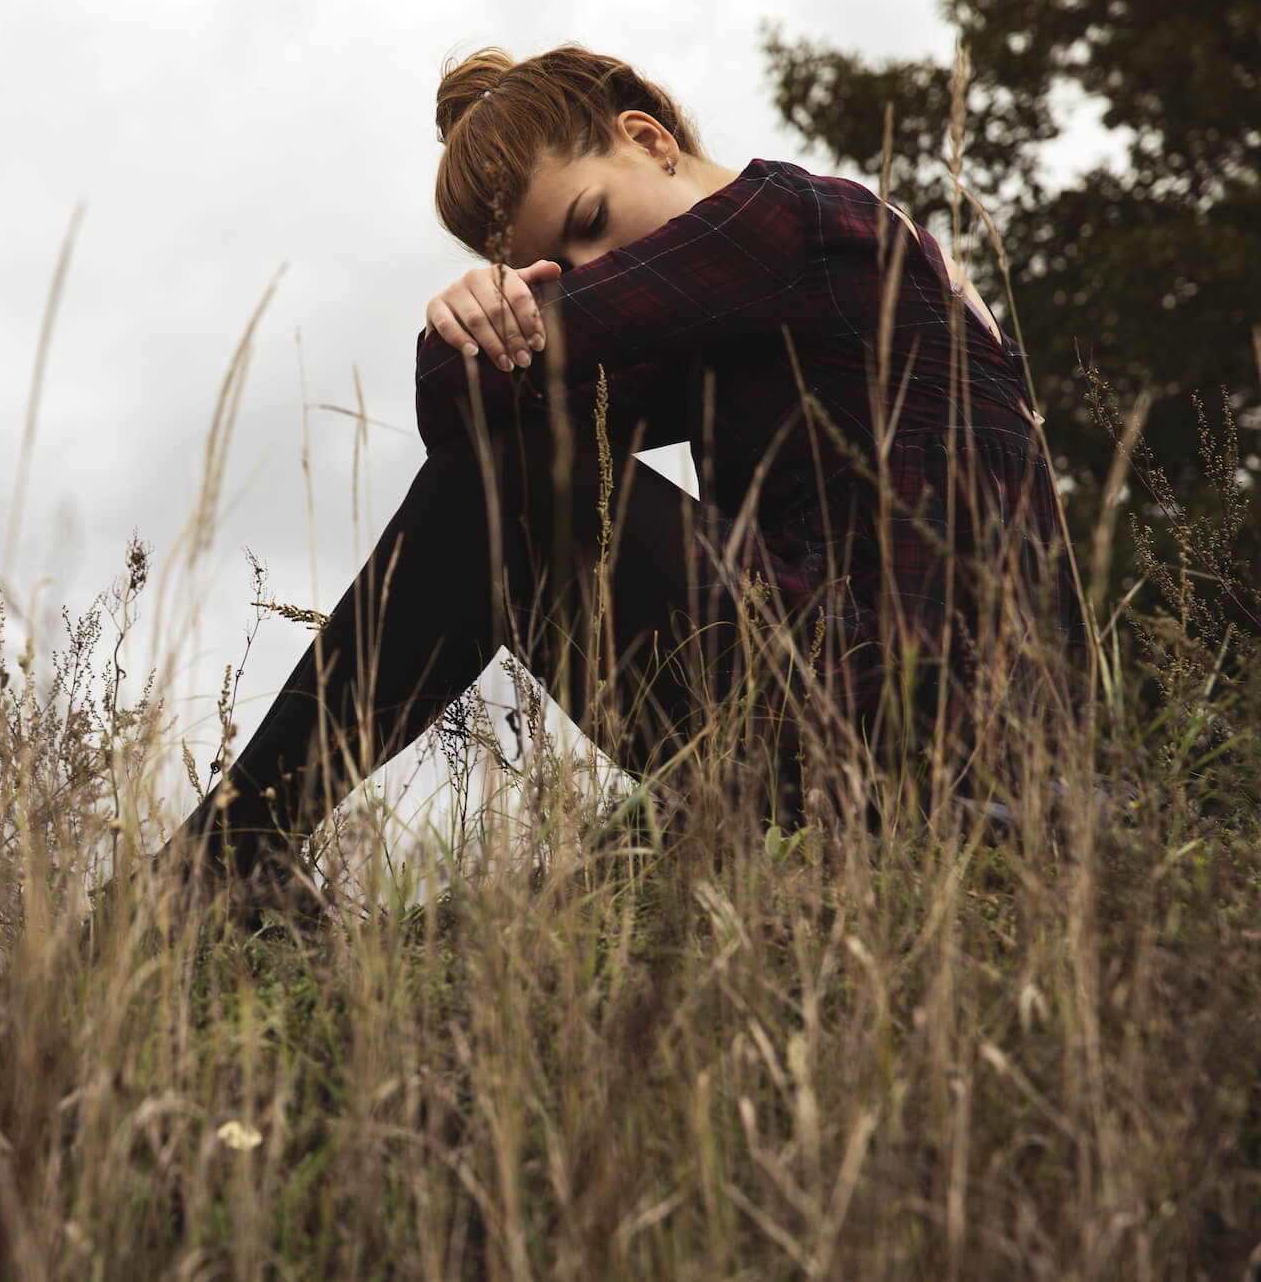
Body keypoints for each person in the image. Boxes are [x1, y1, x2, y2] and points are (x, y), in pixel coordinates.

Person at [163, 44, 1086, 908]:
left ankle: (218, 862)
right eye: (565, 267)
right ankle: (234, 864)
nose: (604, 272)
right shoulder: (753, 311)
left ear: (649, 138)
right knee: (540, 897)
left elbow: (477, 420)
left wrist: (471, 327)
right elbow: (471, 422)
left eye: (592, 223)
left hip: (924, 723)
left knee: (515, 483)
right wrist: (482, 319)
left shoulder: (779, 222)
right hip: (876, 722)